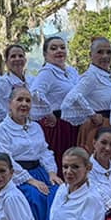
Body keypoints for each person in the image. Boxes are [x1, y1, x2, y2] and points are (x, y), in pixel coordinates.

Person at [0, 86, 61, 220]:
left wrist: (51, 172)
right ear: (10, 103)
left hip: (40, 172)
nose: (24, 104)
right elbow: (6, 160)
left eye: (28, 100)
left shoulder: (35, 127)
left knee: (57, 191)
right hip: (16, 176)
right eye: (19, 100)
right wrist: (30, 180)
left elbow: (44, 151)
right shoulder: (1, 130)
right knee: (35, 195)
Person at [60, 37, 111, 165]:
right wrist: (92, 114)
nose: (105, 56)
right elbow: (71, 98)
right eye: (100, 52)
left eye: (108, 52)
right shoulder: (91, 76)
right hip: (100, 128)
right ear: (91, 55)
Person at [30, 36, 80, 172]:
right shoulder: (47, 73)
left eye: (62, 47)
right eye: (54, 48)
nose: (59, 51)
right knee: (60, 161)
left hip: (73, 125)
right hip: (57, 126)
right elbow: (34, 93)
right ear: (45, 55)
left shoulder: (71, 72)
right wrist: (48, 112)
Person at [0, 44, 50, 127]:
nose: (17, 59)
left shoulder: (31, 80)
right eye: (13, 56)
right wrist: (7, 117)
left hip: (31, 126)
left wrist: (47, 112)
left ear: (25, 60)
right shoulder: (3, 82)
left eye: (20, 56)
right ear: (6, 62)